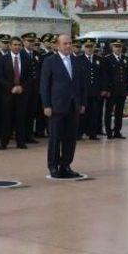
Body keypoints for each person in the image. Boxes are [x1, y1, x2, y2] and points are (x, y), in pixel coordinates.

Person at [40, 34, 86, 178]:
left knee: (70, 138)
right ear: (57, 45)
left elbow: (82, 84)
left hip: (73, 106)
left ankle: (66, 165)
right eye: (65, 43)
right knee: (55, 138)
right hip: (56, 106)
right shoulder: (50, 61)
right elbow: (44, 85)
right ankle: (53, 166)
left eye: (70, 43)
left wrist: (83, 103)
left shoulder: (76, 61)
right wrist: (46, 105)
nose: (68, 46)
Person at [0, 37, 30, 149]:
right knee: (6, 119)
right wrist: (12, 87)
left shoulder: (26, 58)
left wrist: (21, 87)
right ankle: (4, 142)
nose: (17, 47)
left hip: (21, 94)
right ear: (10, 46)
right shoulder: (3, 59)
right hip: (7, 94)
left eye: (19, 45)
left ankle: (21, 142)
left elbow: (30, 77)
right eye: (15, 45)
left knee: (21, 118)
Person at [77, 39, 106, 140]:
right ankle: (79, 133)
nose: (89, 49)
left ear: (94, 47)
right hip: (83, 91)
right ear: (84, 48)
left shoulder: (99, 59)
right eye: (87, 47)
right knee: (82, 113)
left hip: (95, 91)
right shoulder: (78, 59)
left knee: (94, 113)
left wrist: (103, 89)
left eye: (91, 47)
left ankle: (92, 133)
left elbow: (103, 76)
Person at [103, 40, 128, 139]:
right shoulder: (107, 59)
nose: (118, 48)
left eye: (119, 46)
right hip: (111, 91)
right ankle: (108, 132)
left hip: (122, 90)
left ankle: (117, 131)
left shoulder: (126, 59)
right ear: (112, 48)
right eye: (116, 46)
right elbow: (105, 76)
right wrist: (106, 89)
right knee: (109, 112)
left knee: (119, 113)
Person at [21, 32, 42, 144]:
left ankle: (29, 135)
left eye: (33, 41)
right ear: (24, 41)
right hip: (24, 88)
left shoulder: (37, 54)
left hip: (35, 88)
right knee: (23, 113)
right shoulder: (20, 54)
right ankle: (22, 136)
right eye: (29, 41)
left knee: (31, 113)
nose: (31, 43)